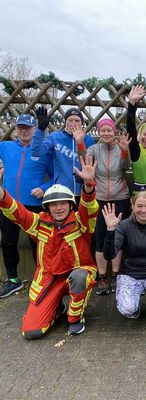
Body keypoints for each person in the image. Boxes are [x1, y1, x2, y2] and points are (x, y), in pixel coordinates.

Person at [0, 154, 99, 338]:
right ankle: (58, 308)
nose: (59, 208)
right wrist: (2, 195)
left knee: (79, 278)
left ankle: (75, 318)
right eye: (53, 204)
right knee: (31, 332)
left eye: (63, 203)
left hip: (76, 274)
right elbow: (18, 213)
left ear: (70, 205)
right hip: (49, 279)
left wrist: (88, 186)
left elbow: (89, 207)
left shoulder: (80, 222)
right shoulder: (39, 223)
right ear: (47, 207)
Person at [102, 193, 146, 330]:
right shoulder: (124, 226)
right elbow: (109, 255)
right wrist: (110, 230)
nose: (143, 210)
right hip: (130, 275)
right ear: (132, 207)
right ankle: (134, 307)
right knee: (127, 309)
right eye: (139, 206)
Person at [0, 114, 53, 298]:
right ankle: (13, 280)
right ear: (15, 129)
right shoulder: (5, 147)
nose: (24, 130)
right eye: (20, 127)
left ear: (34, 130)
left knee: (37, 244)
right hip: (8, 205)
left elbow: (55, 176)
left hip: (34, 206)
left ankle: (41, 279)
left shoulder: (43, 150)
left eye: (28, 128)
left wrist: (44, 188)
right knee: (8, 242)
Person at [84, 119, 131, 295]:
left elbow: (126, 167)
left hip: (120, 198)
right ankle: (102, 278)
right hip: (100, 198)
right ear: (98, 132)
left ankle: (117, 276)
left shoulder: (121, 148)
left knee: (118, 237)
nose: (106, 133)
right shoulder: (95, 149)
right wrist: (80, 142)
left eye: (109, 131)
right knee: (100, 238)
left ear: (114, 132)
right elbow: (85, 161)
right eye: (103, 130)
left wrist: (125, 151)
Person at [31, 107, 95, 198]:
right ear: (65, 122)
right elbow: (36, 152)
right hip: (62, 190)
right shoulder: (55, 137)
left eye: (77, 120)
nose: (73, 123)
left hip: (83, 190)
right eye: (70, 120)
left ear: (82, 123)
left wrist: (80, 142)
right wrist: (40, 130)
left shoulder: (88, 139)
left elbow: (91, 162)